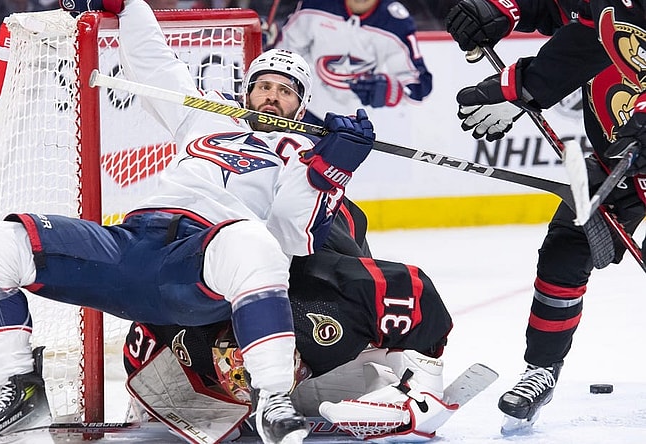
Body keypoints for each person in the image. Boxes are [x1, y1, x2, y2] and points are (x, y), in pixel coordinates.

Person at [0, 0, 376, 443]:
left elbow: (290, 235)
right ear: (246, 91)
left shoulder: (302, 158)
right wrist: (127, 5)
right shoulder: (206, 113)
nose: (271, 96)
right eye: (263, 85)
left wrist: (329, 171)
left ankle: (271, 399)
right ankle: (20, 388)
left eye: (285, 91)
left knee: (253, 241)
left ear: (302, 104)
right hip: (131, 246)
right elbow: (152, 60)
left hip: (197, 267)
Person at [445, 0, 646, 434]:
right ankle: (541, 369)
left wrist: (522, 85)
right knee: (565, 248)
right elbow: (581, 23)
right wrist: (507, 10)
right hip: (622, 159)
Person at [123, 196, 456, 441]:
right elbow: (140, 349)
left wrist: (424, 390)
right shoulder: (184, 328)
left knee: (380, 353)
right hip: (230, 244)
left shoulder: (326, 295)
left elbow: (414, 289)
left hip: (328, 229)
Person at [275, 0, 433, 126]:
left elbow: (419, 84)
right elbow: (284, 52)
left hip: (355, 122)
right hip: (305, 111)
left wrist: (393, 90)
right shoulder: (315, 5)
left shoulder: (395, 22)